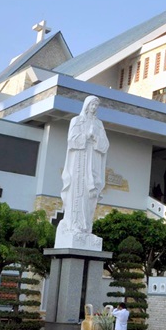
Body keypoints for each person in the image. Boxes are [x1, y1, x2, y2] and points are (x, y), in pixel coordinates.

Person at [59, 95, 109, 240]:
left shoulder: (99, 124)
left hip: (92, 163)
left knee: (90, 195)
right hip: (79, 164)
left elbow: (105, 145)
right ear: (87, 106)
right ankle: (74, 225)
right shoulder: (77, 121)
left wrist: (95, 138)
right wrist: (86, 136)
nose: (94, 108)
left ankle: (86, 227)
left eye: (96, 106)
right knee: (78, 193)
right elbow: (71, 141)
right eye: (92, 105)